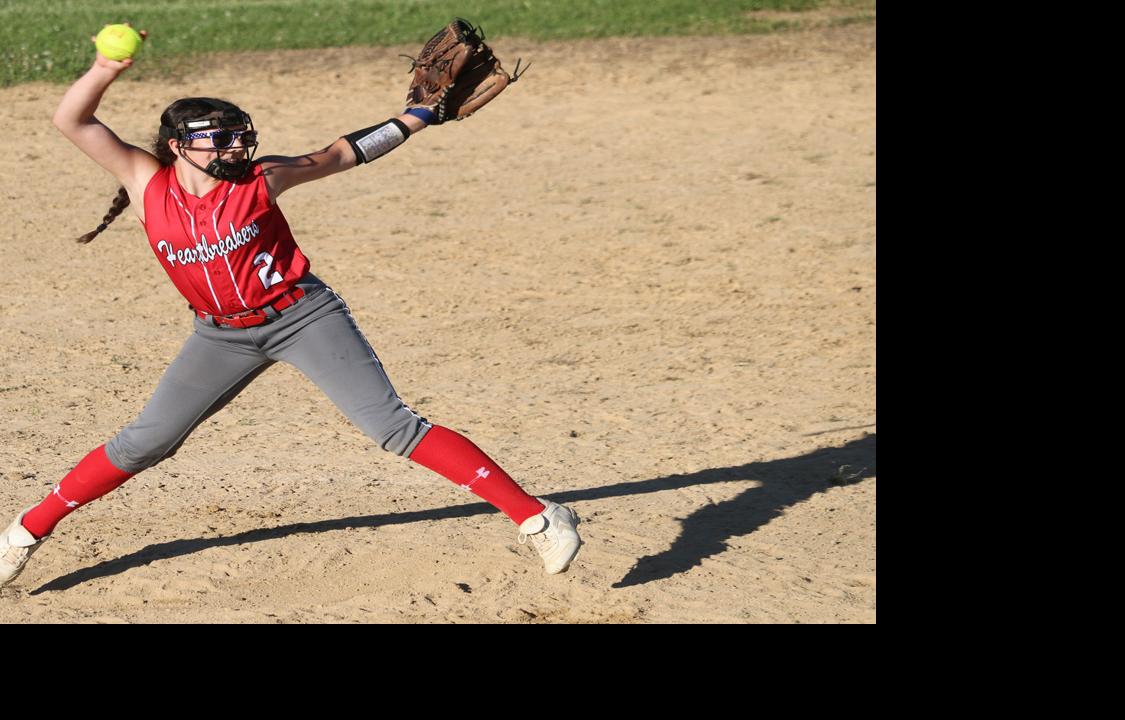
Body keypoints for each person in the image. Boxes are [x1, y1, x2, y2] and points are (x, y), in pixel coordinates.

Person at [0, 28, 581, 589]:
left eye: (238, 136)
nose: (236, 147)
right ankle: (24, 534)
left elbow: (341, 153)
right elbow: (70, 120)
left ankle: (538, 517)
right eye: (220, 139)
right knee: (144, 443)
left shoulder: (261, 178)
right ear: (179, 146)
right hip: (220, 337)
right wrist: (105, 69)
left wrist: (417, 117)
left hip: (303, 317)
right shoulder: (145, 182)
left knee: (393, 428)